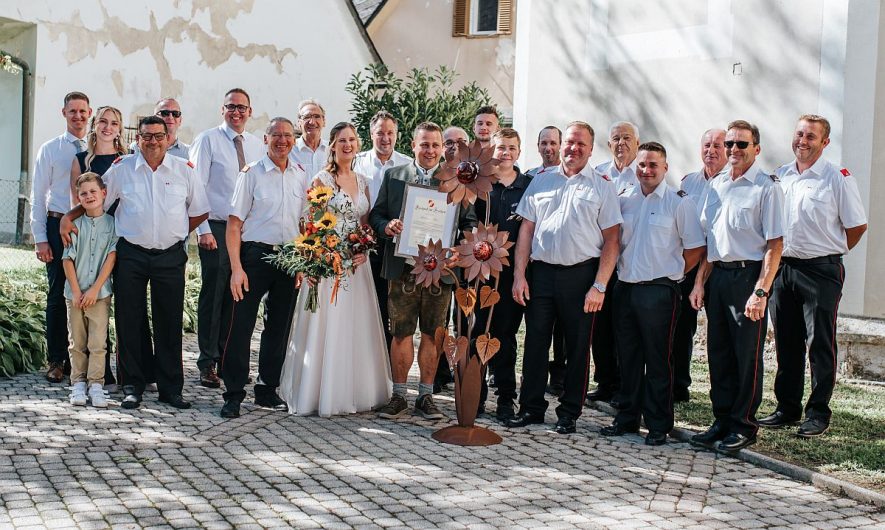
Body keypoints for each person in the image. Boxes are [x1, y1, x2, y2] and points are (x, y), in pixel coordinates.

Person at [62, 115, 209, 410]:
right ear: (137, 139)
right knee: (130, 320)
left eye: (158, 136)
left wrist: (176, 231)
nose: (152, 141)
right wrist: (69, 216)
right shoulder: (122, 169)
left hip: (170, 255)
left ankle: (171, 388)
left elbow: (200, 210)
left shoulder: (184, 170)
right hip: (131, 253)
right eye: (146, 136)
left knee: (169, 321)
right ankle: (133, 385)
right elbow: (99, 201)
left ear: (168, 138)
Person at [506, 121, 621, 435]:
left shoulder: (602, 185)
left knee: (577, 347)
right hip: (541, 274)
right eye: (570, 142)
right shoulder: (541, 181)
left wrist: (600, 285)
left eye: (581, 144)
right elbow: (526, 230)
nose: (573, 148)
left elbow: (613, 239)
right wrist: (520, 276)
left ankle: (569, 412)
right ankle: (530, 408)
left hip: (581, 276)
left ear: (590, 148)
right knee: (535, 343)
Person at [759, 115, 867, 437]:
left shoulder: (837, 177)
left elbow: (857, 226)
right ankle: (787, 408)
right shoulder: (780, 175)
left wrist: (829, 252)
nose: (803, 141)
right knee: (786, 341)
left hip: (821, 271)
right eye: (799, 134)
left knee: (819, 342)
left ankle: (818, 412)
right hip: (784, 268)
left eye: (811, 136)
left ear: (825, 142)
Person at [280, 122, 392, 416]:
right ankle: (321, 391)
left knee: (355, 325)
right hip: (329, 264)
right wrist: (325, 254)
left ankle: (356, 389)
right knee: (328, 324)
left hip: (356, 266)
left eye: (352, 140)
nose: (348, 145)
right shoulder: (322, 179)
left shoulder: (364, 180)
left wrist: (364, 250)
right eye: (342, 140)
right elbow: (312, 224)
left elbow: (366, 224)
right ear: (332, 145)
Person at [599, 142, 705, 445]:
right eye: (642, 165)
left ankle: (659, 424)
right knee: (628, 358)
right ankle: (627, 418)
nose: (646, 171)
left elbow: (696, 247)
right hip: (626, 288)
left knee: (658, 359)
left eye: (653, 165)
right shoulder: (624, 200)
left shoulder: (678, 203)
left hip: (660, 290)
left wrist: (672, 271)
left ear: (665, 168)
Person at [369, 121, 477, 420]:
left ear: (443, 148)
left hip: (440, 271)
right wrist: (387, 226)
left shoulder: (455, 179)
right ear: (413, 146)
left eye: (435, 145)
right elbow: (377, 215)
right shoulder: (394, 176)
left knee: (433, 333)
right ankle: (399, 396)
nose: (429, 150)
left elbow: (469, 223)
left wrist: (459, 248)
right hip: (403, 268)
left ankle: (426, 397)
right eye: (424, 144)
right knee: (400, 333)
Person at [689, 120, 784, 452]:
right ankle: (722, 419)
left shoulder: (766, 187)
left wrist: (761, 290)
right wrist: (699, 283)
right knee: (719, 353)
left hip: (749, 277)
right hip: (719, 277)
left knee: (747, 356)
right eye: (729, 143)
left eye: (741, 144)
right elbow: (711, 242)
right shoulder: (716, 185)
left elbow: (775, 244)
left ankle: (744, 424)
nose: (732, 150)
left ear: (756, 148)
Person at [220, 118, 308, 419]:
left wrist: (301, 263)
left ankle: (267, 390)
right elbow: (234, 225)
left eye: (287, 136)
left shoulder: (299, 175)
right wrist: (236, 268)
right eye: (276, 136)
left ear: (293, 140)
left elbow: (302, 224)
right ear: (265, 139)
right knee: (240, 326)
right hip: (254, 257)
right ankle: (232, 394)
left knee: (278, 328)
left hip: (288, 259)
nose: (282, 141)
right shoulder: (251, 174)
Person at [190, 88, 264, 388]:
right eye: (231, 107)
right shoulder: (207, 140)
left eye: (242, 107)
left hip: (248, 229)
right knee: (215, 293)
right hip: (217, 227)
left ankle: (228, 360)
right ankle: (207, 360)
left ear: (250, 111)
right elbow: (196, 187)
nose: (237, 112)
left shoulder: (258, 144)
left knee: (238, 297)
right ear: (223, 110)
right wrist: (203, 230)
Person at [31, 91, 92, 383]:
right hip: (57, 228)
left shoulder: (97, 148)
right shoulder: (51, 149)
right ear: (64, 113)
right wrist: (40, 238)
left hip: (91, 231)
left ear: (89, 113)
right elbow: (38, 195)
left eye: (82, 111)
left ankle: (87, 359)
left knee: (90, 293)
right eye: (72, 111)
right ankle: (57, 360)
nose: (78, 116)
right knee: (57, 295)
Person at [68, 105, 127, 389]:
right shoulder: (82, 160)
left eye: (113, 123)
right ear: (94, 125)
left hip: (119, 239)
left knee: (118, 307)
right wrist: (67, 219)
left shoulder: (126, 160)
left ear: (119, 128)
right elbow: (77, 203)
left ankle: (126, 370)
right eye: (102, 121)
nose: (107, 126)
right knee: (88, 309)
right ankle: (90, 374)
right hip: (91, 238)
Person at [586, 121, 641, 405]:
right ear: (609, 145)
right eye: (616, 138)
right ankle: (605, 381)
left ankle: (623, 385)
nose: (621, 143)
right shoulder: (599, 175)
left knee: (623, 327)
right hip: (602, 261)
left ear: (637, 143)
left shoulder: (642, 175)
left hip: (628, 263)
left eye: (627, 138)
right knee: (601, 327)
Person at [672, 128, 728, 402]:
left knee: (720, 333)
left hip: (723, 265)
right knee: (681, 327)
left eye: (718, 145)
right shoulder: (688, 182)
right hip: (691, 261)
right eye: (707, 145)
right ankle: (678, 386)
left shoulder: (732, 182)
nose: (711, 150)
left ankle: (723, 394)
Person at [481, 128, 531, 422]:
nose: (506, 153)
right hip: (480, 273)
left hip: (513, 274)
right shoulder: (481, 184)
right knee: (478, 333)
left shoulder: (528, 186)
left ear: (519, 152)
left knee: (506, 336)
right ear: (492, 150)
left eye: (511, 148)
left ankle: (505, 398)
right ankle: (475, 394)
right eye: (501, 148)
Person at [353, 110, 413, 353]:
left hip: (395, 244)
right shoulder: (357, 162)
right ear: (371, 134)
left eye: (390, 133)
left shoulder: (407, 164)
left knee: (393, 307)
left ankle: (389, 361)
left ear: (397, 135)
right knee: (368, 305)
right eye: (380, 133)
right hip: (361, 244)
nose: (385, 138)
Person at [63, 173, 117, 409]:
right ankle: (77, 384)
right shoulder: (75, 226)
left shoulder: (113, 225)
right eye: (83, 193)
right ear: (78, 197)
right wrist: (76, 292)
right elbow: (67, 260)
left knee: (98, 342)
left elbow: (111, 257)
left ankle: (96, 385)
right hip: (74, 294)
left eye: (93, 191)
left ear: (103, 193)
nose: (89, 196)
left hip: (100, 294)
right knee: (77, 342)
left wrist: (95, 289)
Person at [525, 125, 566, 396]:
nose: (548, 148)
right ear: (538, 146)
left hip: (567, 267)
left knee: (563, 332)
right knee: (537, 331)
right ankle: (532, 394)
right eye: (543, 143)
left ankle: (560, 378)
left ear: (560, 146)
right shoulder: (530, 177)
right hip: (537, 265)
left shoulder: (571, 177)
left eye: (553, 143)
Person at [434, 125, 471, 393]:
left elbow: (470, 223)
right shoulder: (431, 175)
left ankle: (459, 372)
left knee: (460, 321)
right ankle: (434, 374)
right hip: (429, 262)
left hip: (458, 263)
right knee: (435, 322)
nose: (454, 147)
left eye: (460, 142)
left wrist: (459, 249)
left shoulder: (468, 178)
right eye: (448, 142)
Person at [292, 99, 328, 178]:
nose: (312, 122)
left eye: (317, 116)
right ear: (299, 123)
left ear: (324, 121)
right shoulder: (290, 150)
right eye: (307, 117)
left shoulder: (332, 150)